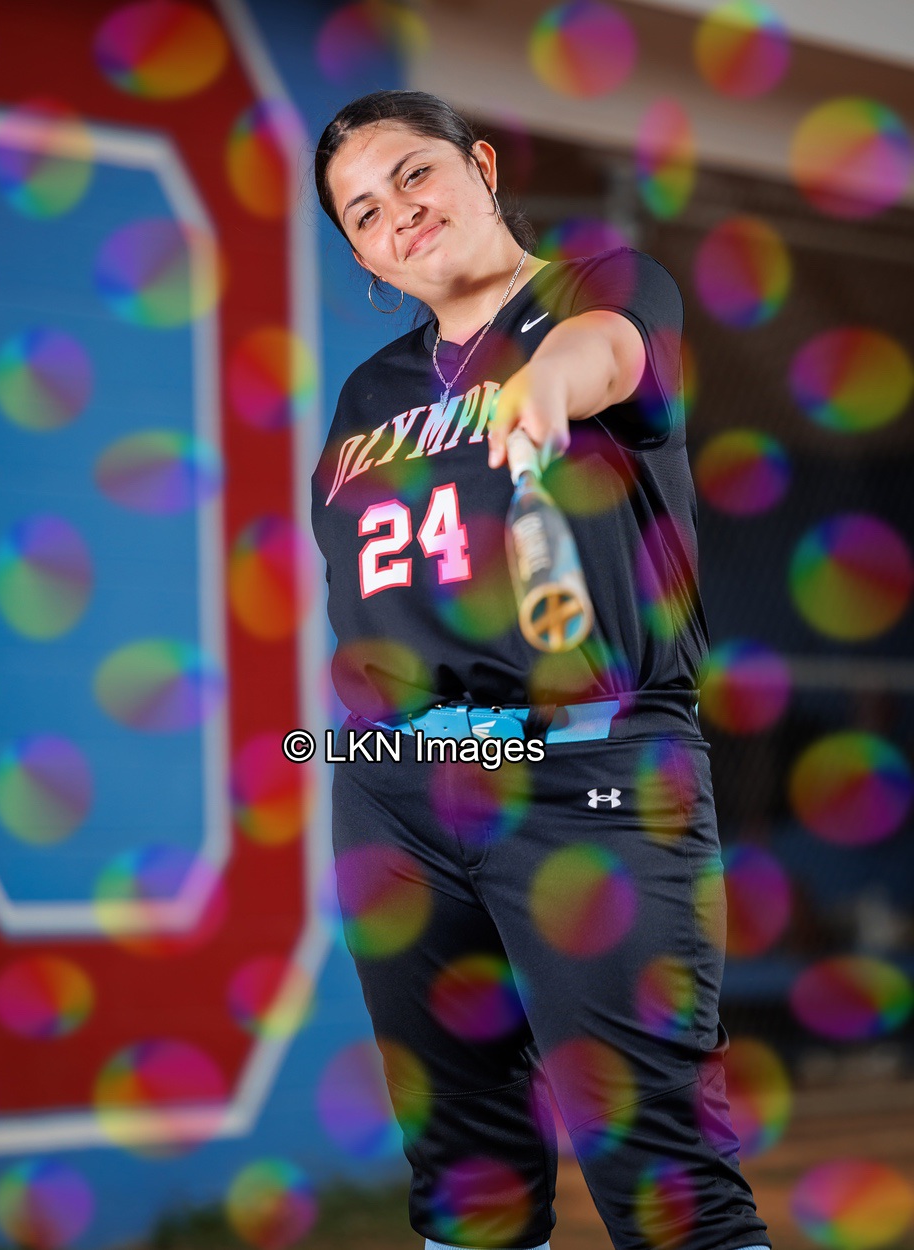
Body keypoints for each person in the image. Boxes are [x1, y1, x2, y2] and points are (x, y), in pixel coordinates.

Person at [309, 89, 772, 1250]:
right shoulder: (370, 393)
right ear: (363, 256)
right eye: (362, 212)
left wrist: (547, 389)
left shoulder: (601, 288)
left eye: (412, 174)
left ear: (478, 164)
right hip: (394, 794)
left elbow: (605, 352)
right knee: (463, 1167)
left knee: (663, 1173)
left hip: (588, 773)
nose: (397, 213)